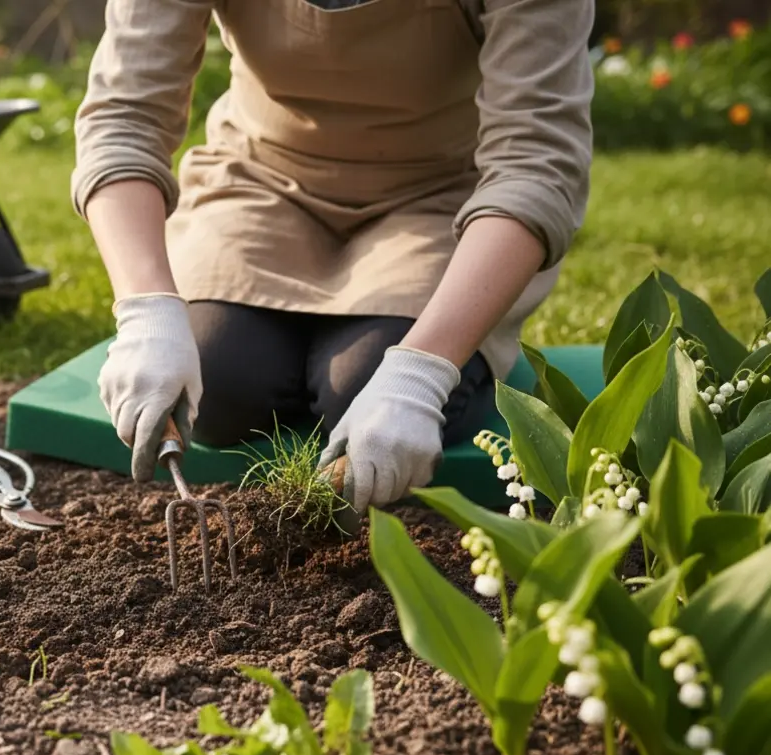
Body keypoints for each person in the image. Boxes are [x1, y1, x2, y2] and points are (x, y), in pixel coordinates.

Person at [71, 0, 594, 516]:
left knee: (363, 381)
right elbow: (125, 117)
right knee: (219, 380)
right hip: (260, 182)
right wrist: (147, 311)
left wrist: (420, 376)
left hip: (440, 200)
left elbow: (535, 166)